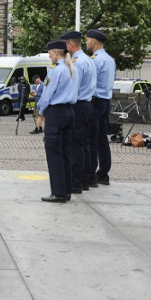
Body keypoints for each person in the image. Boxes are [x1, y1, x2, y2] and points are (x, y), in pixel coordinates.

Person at [36, 40, 78, 203]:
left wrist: (41, 110)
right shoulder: (72, 69)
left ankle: (58, 192)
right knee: (66, 153)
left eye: (50, 53)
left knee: (54, 154)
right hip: (69, 111)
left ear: (55, 52)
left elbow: (47, 94)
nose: (49, 56)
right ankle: (66, 191)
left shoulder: (55, 71)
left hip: (56, 112)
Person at [61, 31, 95, 194]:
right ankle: (85, 179)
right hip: (88, 104)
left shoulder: (77, 62)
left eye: (64, 45)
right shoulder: (87, 59)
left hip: (79, 106)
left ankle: (76, 182)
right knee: (84, 144)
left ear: (70, 45)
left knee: (75, 145)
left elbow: (73, 86)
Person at [87, 29, 116, 186]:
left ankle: (91, 174)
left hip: (96, 101)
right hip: (105, 101)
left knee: (92, 138)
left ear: (94, 42)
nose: (86, 42)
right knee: (101, 139)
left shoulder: (96, 60)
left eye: (88, 40)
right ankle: (103, 173)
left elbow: (89, 82)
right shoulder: (110, 59)